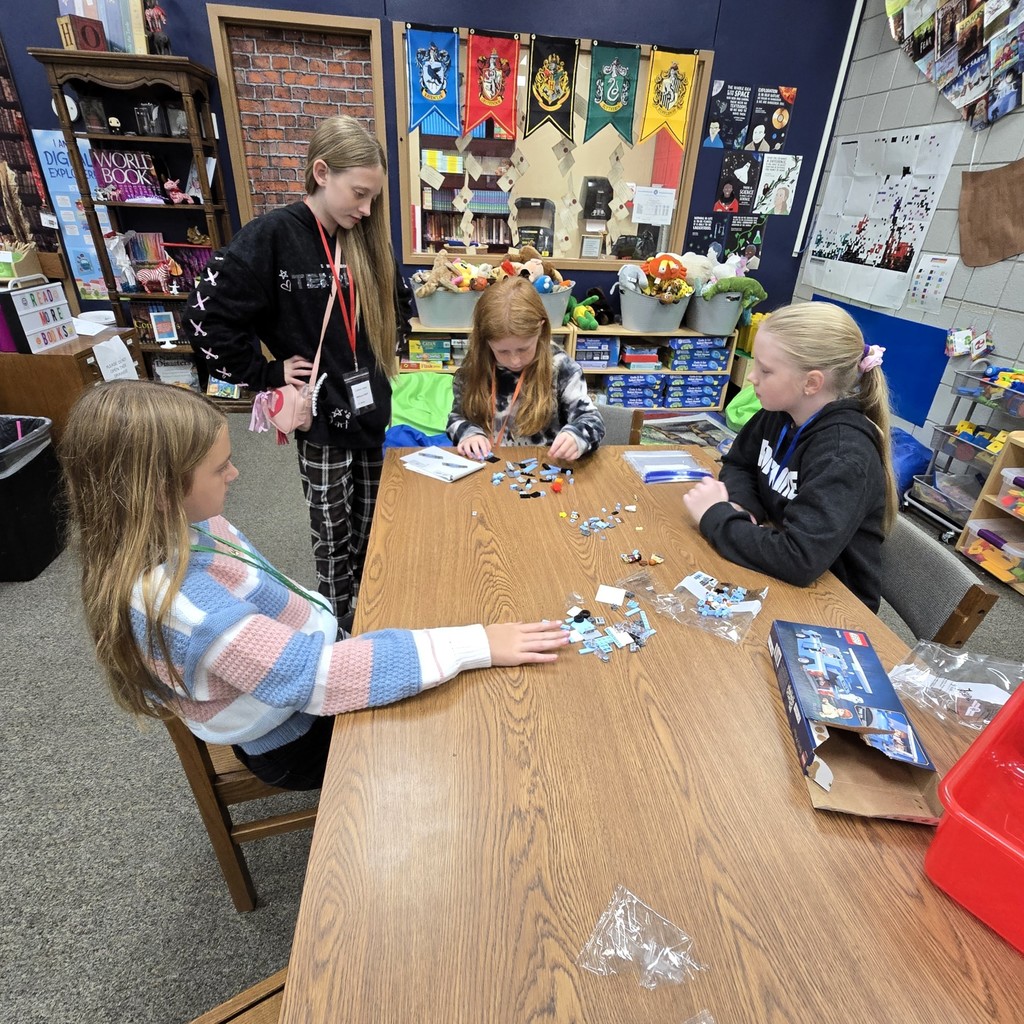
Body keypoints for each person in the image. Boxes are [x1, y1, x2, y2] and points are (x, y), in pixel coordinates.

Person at [59, 381, 569, 791]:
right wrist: (476, 642)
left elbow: (274, 608)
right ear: (160, 493)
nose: (237, 474)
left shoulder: (190, 525)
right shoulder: (186, 607)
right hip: (294, 739)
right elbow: (313, 678)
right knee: (469, 735)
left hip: (300, 677)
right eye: (220, 468)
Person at [184, 115, 410, 624]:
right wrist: (265, 374)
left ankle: (371, 616)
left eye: (373, 197)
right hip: (322, 419)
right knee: (333, 536)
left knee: (372, 526)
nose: (367, 208)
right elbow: (204, 316)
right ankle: (340, 632)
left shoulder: (366, 238)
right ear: (321, 172)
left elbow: (393, 310)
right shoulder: (272, 236)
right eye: (358, 193)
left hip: (370, 411)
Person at [682, 302, 898, 611]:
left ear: (811, 383)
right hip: (779, 561)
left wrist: (715, 516)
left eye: (765, 370)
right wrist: (744, 507)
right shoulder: (780, 411)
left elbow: (800, 560)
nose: (752, 378)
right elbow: (740, 463)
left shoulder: (844, 455)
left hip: (829, 604)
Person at [446, 277, 605, 461]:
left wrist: (576, 436)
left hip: (543, 470)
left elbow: (593, 420)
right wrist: (469, 433)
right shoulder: (473, 368)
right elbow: (456, 418)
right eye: (502, 351)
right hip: (487, 470)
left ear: (541, 329)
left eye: (523, 349)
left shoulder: (562, 369)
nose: (514, 361)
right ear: (485, 341)